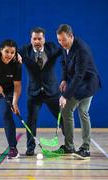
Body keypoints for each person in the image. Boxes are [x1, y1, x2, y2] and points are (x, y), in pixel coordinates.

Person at [56, 24, 101, 159]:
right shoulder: (65, 46)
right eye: (59, 40)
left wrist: (65, 95)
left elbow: (79, 76)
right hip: (78, 83)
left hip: (87, 84)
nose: (61, 43)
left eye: (64, 39)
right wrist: (64, 80)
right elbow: (64, 63)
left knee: (77, 111)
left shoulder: (81, 49)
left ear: (71, 36)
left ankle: (85, 148)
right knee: (73, 110)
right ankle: (69, 147)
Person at [19, 27, 63, 156]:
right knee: (31, 121)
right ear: (31, 39)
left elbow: (66, 53)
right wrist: (16, 56)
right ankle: (30, 147)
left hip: (52, 91)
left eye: (39, 38)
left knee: (64, 119)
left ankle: (69, 145)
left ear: (44, 39)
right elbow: (13, 54)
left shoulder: (52, 47)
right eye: (34, 38)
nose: (37, 41)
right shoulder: (24, 50)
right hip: (34, 92)